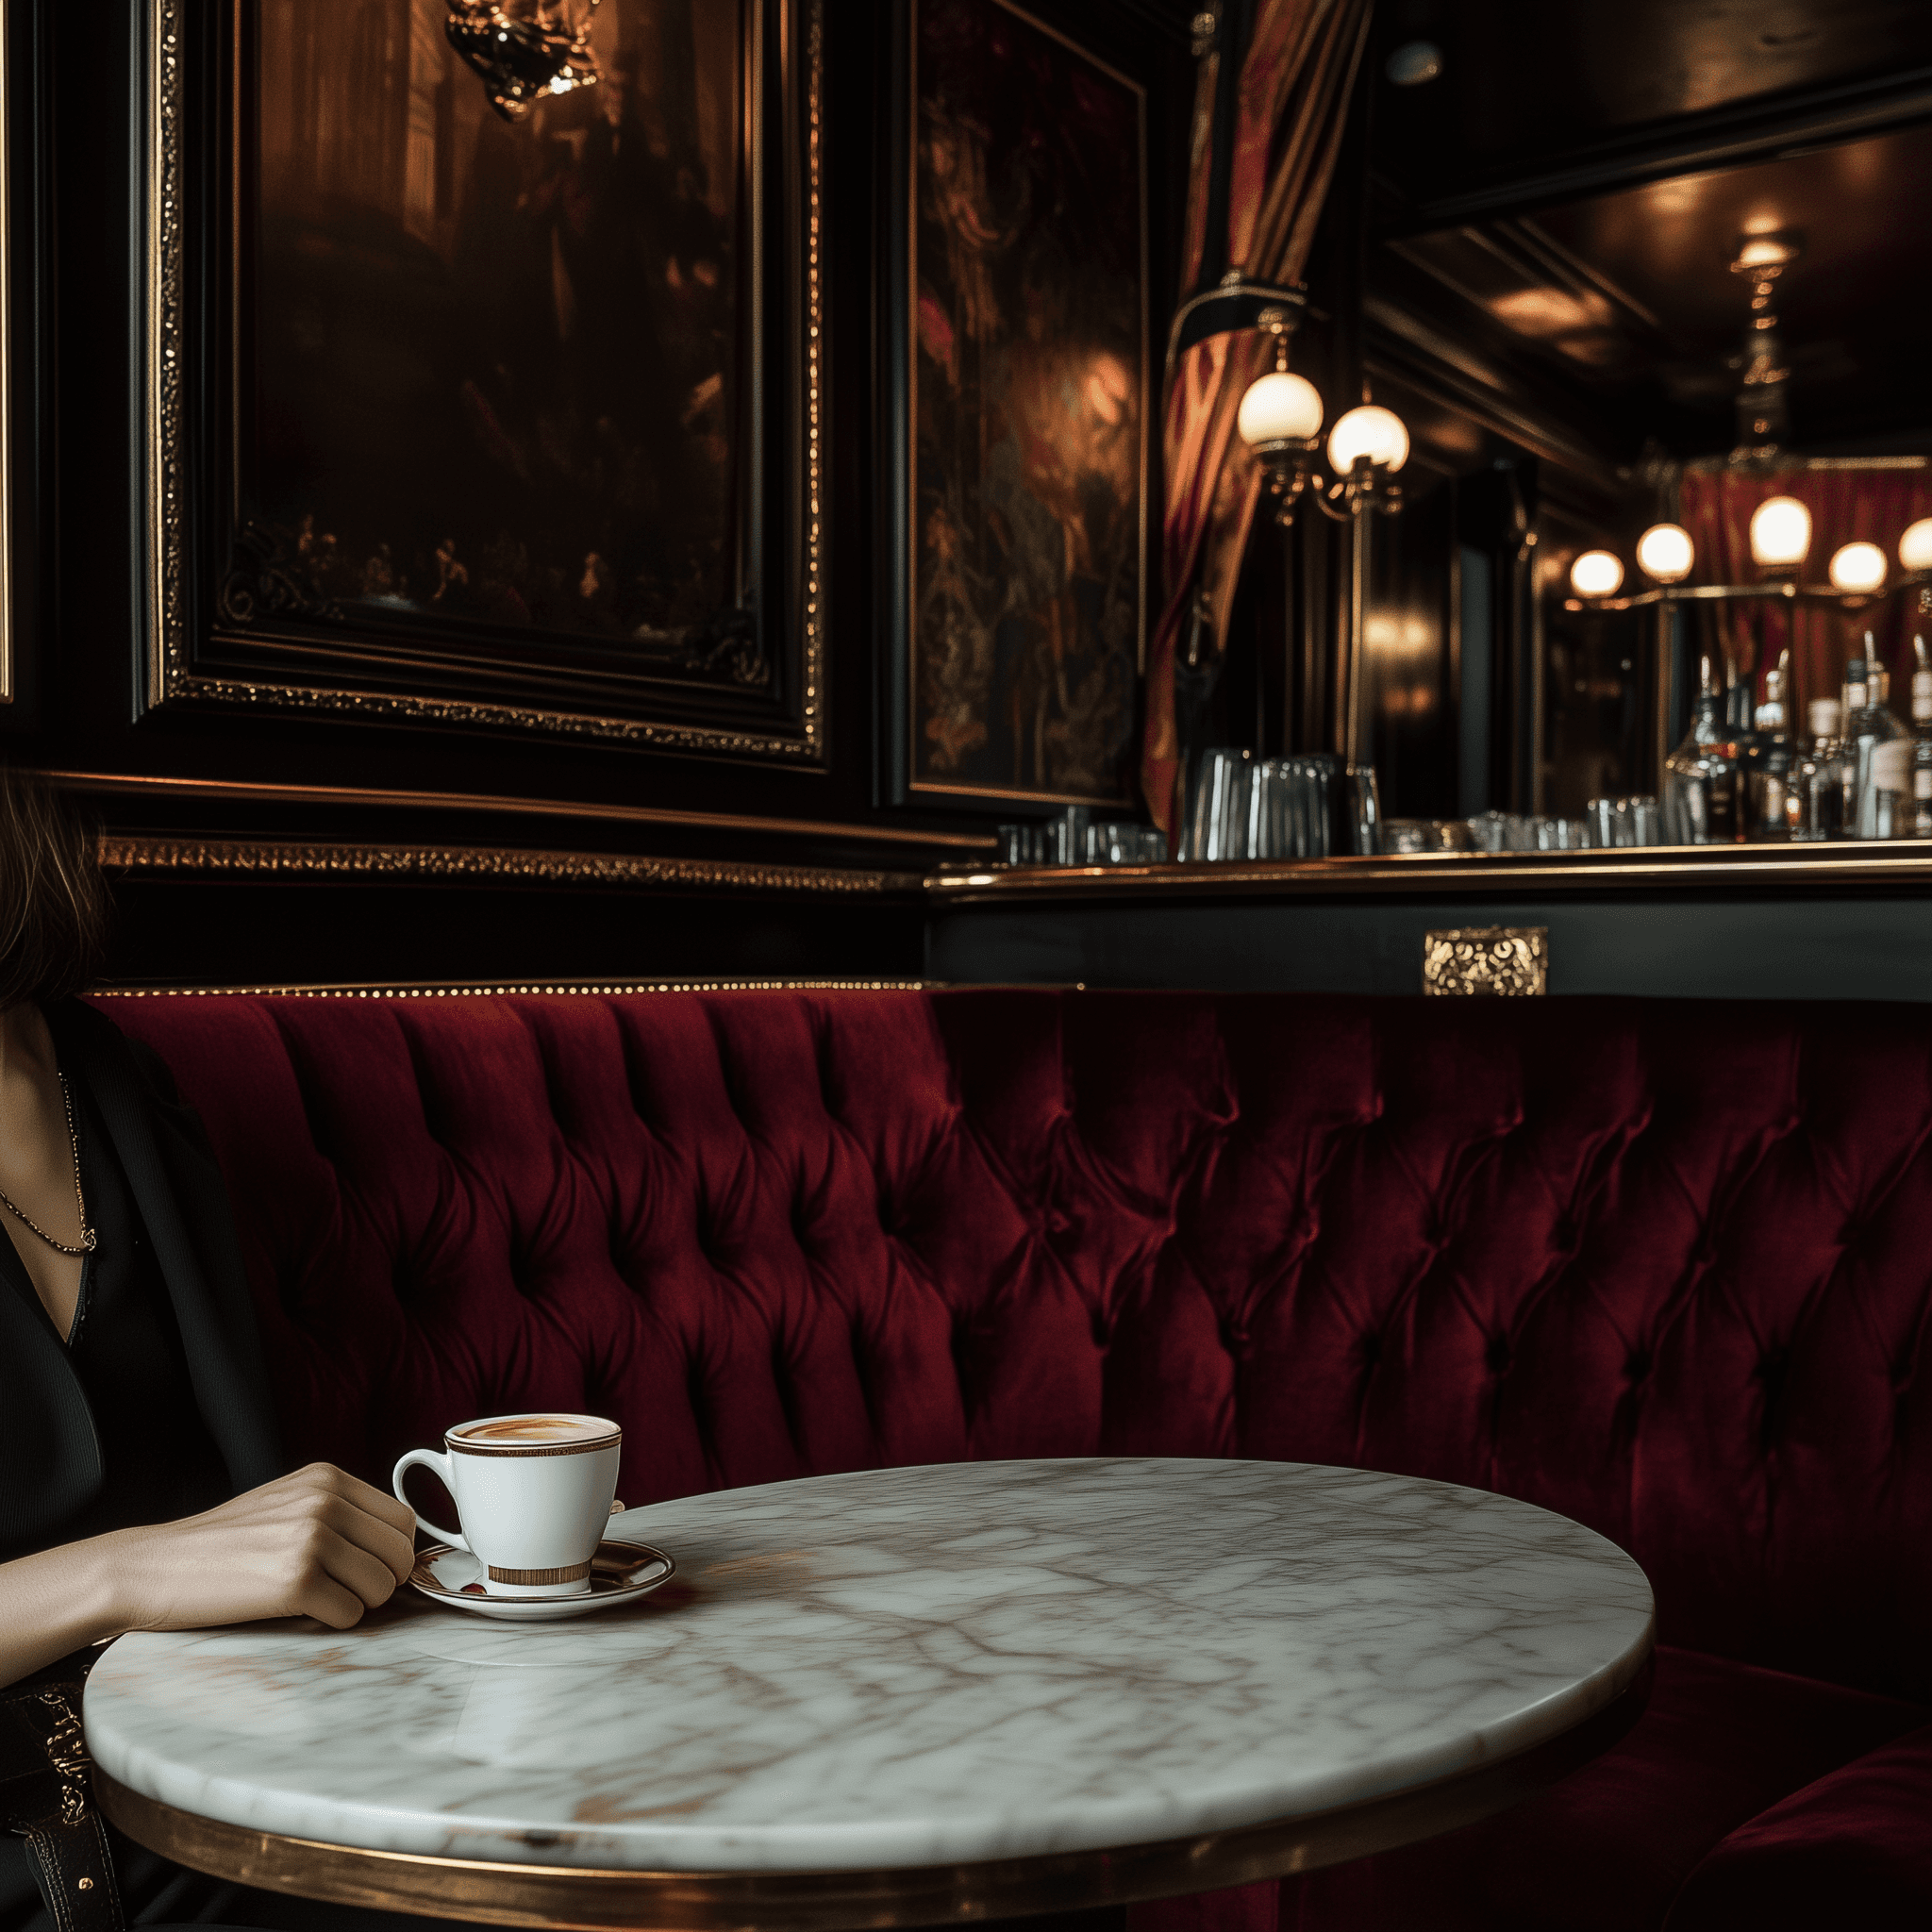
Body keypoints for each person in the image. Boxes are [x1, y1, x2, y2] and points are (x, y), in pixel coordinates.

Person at [0, 769, 421, 1932]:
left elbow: (240, 1476)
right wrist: (131, 1571)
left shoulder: (111, 1078)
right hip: (46, 1818)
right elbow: (185, 1547)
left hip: (241, 1736)